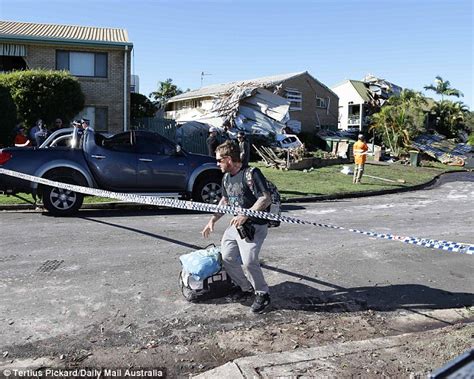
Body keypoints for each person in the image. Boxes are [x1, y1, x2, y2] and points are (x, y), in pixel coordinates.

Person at [201, 140, 272, 313]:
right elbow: (224, 201)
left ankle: (263, 294)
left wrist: (246, 214)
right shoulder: (226, 177)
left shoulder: (252, 173)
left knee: (249, 262)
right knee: (227, 258)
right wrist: (213, 220)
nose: (217, 163)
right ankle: (245, 288)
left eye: (219, 160)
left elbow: (265, 198)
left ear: (229, 159)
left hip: (254, 227)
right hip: (236, 226)